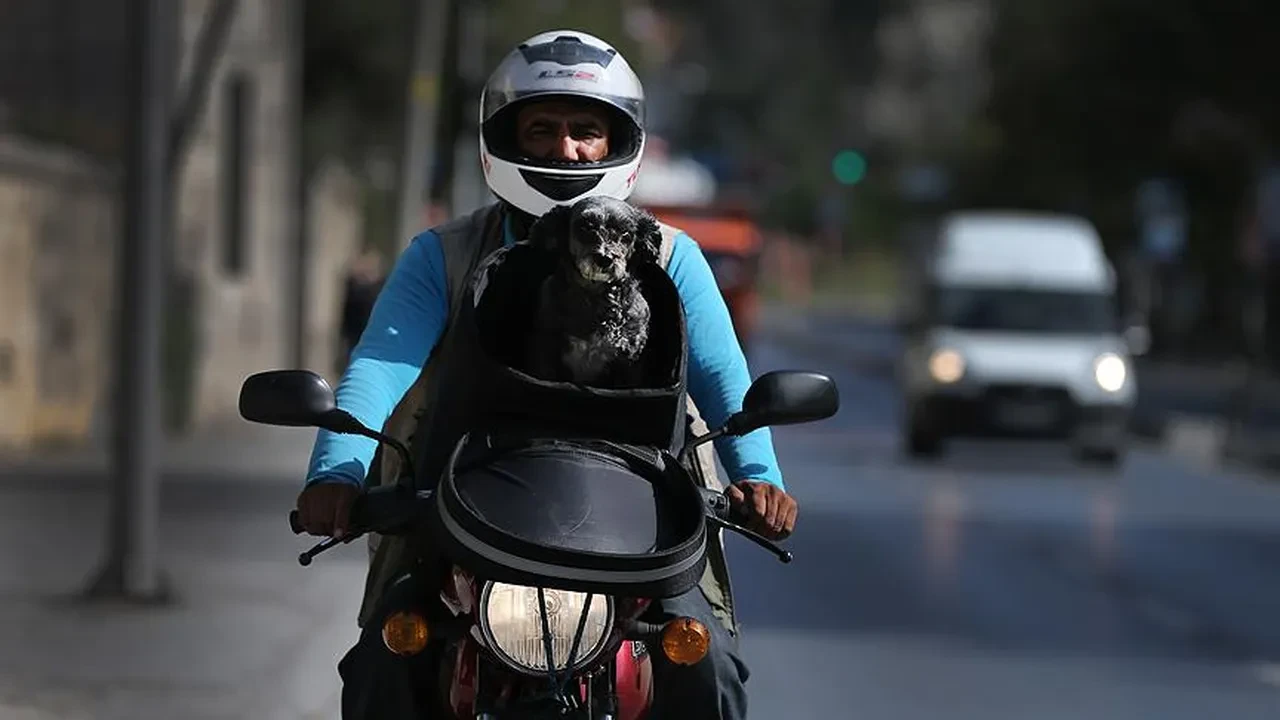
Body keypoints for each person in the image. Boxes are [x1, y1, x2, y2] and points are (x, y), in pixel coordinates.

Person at [297, 30, 797, 719]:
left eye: (586, 131)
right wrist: (338, 472)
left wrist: (761, 481)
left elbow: (725, 385)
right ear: (506, 138)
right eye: (543, 129)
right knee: (387, 659)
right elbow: (380, 367)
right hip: (463, 518)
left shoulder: (671, 259)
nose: (566, 150)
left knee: (706, 669)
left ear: (617, 143)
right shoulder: (441, 256)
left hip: (641, 528)